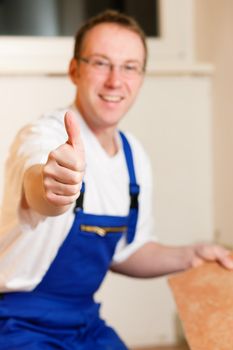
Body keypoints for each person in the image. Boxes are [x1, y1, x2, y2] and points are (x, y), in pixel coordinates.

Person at [0, 9, 232, 350]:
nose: (115, 81)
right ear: (74, 69)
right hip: (17, 323)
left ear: (141, 77)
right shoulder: (44, 136)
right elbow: (38, 185)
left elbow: (126, 252)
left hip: (84, 323)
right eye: (100, 63)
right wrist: (53, 187)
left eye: (129, 67)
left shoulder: (133, 156)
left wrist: (192, 254)